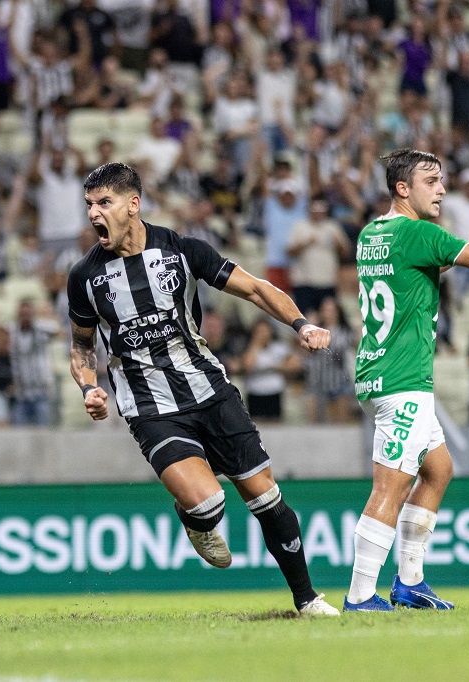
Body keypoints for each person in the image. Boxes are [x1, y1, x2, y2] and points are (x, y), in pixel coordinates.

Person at [67, 163, 339, 617]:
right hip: (150, 406)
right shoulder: (85, 276)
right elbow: (80, 346)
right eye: (89, 205)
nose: (94, 213)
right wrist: (89, 387)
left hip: (209, 389)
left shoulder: (180, 250)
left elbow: (253, 289)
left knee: (265, 496)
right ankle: (195, 519)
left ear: (133, 205)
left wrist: (301, 323)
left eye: (104, 203)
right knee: (208, 501)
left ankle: (307, 600)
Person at [345, 148, 469, 612]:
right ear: (402, 188)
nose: (442, 189)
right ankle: (361, 594)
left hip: (381, 372)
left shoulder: (373, 233)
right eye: (432, 180)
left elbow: (414, 273)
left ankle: (410, 582)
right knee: (391, 487)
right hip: (402, 379)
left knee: (439, 469)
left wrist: (461, 245)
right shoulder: (419, 232)